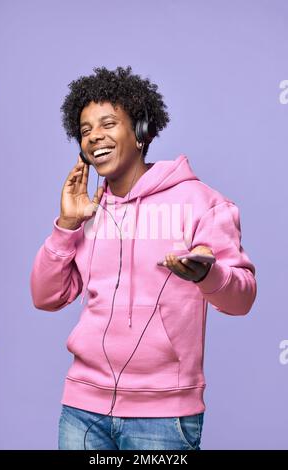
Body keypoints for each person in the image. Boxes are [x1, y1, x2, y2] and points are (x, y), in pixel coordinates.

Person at [30, 66, 257, 451]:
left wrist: (209, 276)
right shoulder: (89, 208)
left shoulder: (200, 202)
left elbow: (242, 299)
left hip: (164, 417)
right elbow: (45, 296)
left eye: (107, 124)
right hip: (82, 410)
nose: (94, 137)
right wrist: (66, 225)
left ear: (140, 132)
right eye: (85, 130)